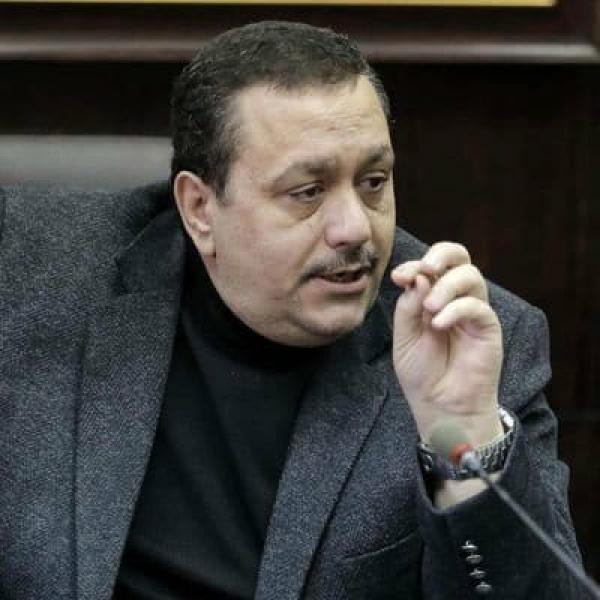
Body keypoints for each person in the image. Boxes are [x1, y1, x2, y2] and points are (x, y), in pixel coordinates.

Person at [0, 20, 583, 600]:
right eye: (307, 191)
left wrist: (460, 435)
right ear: (199, 208)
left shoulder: (466, 340)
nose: (355, 228)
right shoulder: (33, 275)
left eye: (373, 182)